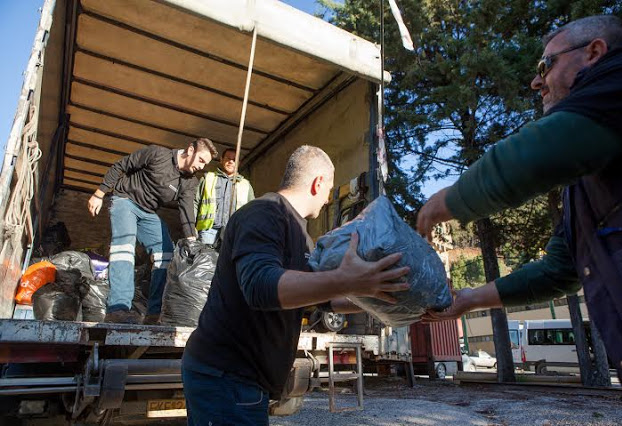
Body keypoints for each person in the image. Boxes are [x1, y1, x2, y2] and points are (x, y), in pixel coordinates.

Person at [416, 15, 622, 416]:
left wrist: (439, 205)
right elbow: (559, 269)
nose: (537, 82)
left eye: (545, 66)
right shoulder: (587, 178)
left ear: (594, 53)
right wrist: (467, 300)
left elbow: (534, 155)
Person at [182, 145, 409, 424]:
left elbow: (322, 298)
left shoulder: (302, 236)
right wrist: (346, 280)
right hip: (225, 375)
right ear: (318, 183)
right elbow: (260, 287)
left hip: (246, 379)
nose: (327, 200)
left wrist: (383, 296)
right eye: (329, 190)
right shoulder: (263, 214)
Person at [87, 138, 217, 325]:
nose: (201, 166)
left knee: (167, 255)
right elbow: (121, 165)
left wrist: (192, 242)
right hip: (125, 201)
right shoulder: (157, 154)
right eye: (201, 160)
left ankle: (154, 313)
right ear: (190, 150)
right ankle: (118, 309)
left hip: (148, 213)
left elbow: (187, 211)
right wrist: (99, 194)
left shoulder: (189, 182)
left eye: (205, 164)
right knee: (124, 249)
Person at [194, 148, 254, 245]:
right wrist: (192, 226)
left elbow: (252, 212)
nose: (231, 161)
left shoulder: (246, 185)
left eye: (234, 160)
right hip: (208, 230)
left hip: (234, 233)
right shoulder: (208, 178)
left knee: (229, 260)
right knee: (205, 259)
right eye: (228, 158)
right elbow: (196, 202)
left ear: (239, 163)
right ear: (221, 160)